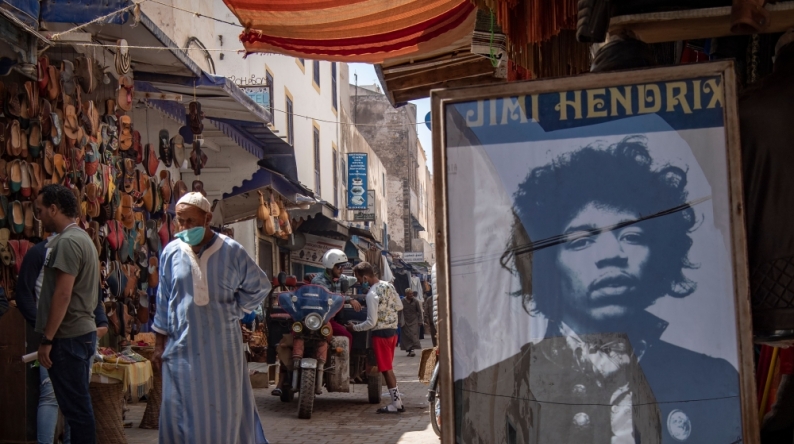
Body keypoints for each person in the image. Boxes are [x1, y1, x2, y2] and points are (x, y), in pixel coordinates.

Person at [458, 137, 741, 443]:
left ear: (659, 253)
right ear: (547, 264)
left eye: (632, 236)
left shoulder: (715, 381)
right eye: (581, 240)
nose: (612, 254)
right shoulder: (488, 390)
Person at [151, 192, 271, 444]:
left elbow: (259, 286)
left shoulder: (231, 251)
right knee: (179, 413)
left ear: (207, 218)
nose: (183, 227)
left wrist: (234, 311)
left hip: (222, 352)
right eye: (179, 221)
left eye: (190, 221)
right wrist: (158, 344)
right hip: (180, 348)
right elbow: (163, 300)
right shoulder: (171, 252)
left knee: (222, 412)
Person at [16, 233, 109, 444]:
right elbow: (24, 295)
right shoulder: (41, 252)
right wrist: (43, 328)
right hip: (57, 333)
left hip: (76, 333)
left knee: (76, 399)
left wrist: (100, 322)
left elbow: (90, 293)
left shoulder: (80, 246)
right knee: (52, 395)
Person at [33, 184, 100, 444]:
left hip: (69, 336)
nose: (39, 217)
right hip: (78, 334)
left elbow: (63, 294)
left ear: (54, 209)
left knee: (77, 410)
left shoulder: (69, 242)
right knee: (77, 408)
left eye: (40, 210)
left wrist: (48, 338)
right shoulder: (82, 238)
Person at [346, 261, 404, 413]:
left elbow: (371, 322)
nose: (359, 283)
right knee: (388, 368)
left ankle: (396, 404)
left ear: (365, 277)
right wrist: (386, 309)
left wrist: (354, 328)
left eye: (359, 279)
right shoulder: (389, 286)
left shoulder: (372, 294)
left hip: (380, 334)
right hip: (393, 331)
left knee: (386, 369)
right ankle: (397, 402)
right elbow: (399, 306)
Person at [311, 248, 361, 346]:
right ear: (330, 266)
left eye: (344, 266)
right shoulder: (319, 281)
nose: (342, 270)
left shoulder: (340, 278)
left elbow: (354, 279)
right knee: (347, 336)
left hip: (332, 318)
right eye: (339, 267)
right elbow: (328, 296)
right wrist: (349, 299)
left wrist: (364, 282)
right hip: (321, 319)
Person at [400, 288, 422, 357]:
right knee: (407, 336)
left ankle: (412, 349)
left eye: (412, 294)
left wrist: (420, 320)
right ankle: (410, 350)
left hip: (414, 321)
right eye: (409, 294)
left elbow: (420, 311)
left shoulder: (415, 301)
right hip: (405, 321)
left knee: (413, 335)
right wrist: (399, 321)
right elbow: (399, 311)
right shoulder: (402, 301)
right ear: (406, 294)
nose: (411, 295)